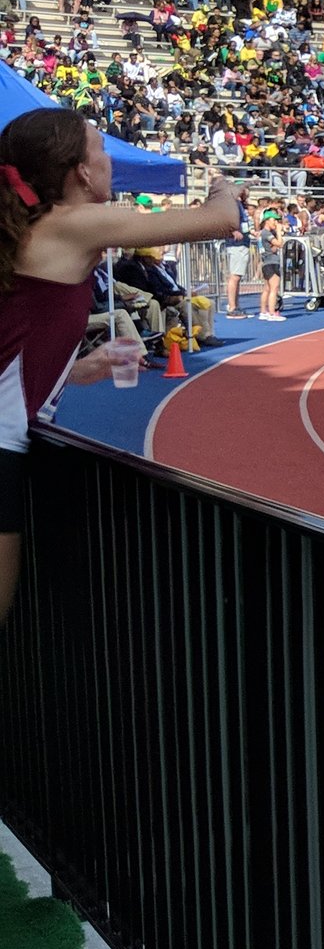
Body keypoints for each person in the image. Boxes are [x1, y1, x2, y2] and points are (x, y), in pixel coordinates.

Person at [0, 110, 241, 620]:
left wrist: (77, 370)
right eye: (100, 149)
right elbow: (220, 220)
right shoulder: (73, 222)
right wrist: (222, 186)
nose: (110, 158)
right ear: (82, 172)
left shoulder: (32, 227)